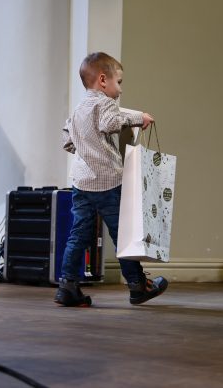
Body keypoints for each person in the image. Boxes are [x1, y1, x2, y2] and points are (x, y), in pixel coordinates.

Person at [56, 52, 168, 307]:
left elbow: (67, 140)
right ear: (103, 80)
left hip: (81, 183)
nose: (120, 89)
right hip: (107, 182)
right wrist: (139, 118)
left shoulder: (79, 108)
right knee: (123, 235)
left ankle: (67, 286)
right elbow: (110, 123)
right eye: (119, 82)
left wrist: (86, 150)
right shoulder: (104, 103)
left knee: (78, 234)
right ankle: (137, 285)